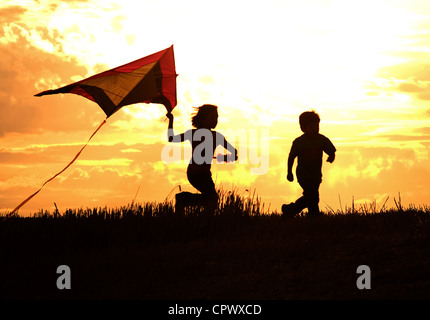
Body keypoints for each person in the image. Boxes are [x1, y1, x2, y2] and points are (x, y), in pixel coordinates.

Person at [166, 104, 237, 215]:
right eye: (213, 117)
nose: (216, 120)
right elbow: (233, 154)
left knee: (211, 199)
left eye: (217, 117)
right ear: (203, 118)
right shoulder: (211, 136)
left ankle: (185, 200)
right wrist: (225, 158)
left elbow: (233, 153)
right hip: (197, 174)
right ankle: (185, 200)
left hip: (200, 174)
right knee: (212, 199)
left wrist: (225, 158)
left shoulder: (211, 136)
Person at [283, 111, 336, 217]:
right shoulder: (299, 142)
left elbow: (331, 150)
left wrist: (331, 156)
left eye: (317, 126)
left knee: (311, 196)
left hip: (316, 175)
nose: (315, 128)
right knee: (312, 195)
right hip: (303, 175)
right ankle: (312, 214)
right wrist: (289, 172)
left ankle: (291, 209)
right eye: (311, 126)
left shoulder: (321, 140)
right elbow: (291, 157)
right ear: (303, 128)